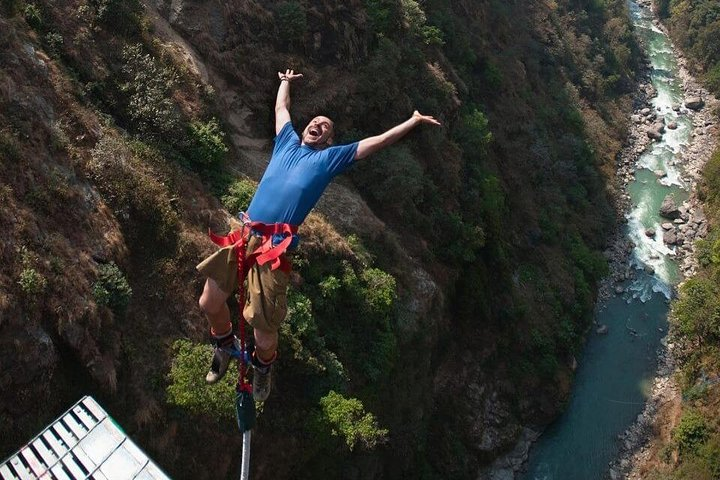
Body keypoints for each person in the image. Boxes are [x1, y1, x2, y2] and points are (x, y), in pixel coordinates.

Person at [197, 69, 440, 401]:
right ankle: (224, 344)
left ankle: (263, 368)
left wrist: (411, 122)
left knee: (264, 335)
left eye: (325, 127)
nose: (318, 125)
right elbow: (281, 110)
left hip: (273, 248)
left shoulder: (329, 159)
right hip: (244, 232)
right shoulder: (286, 142)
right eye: (316, 121)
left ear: (328, 140)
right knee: (209, 301)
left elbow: (375, 143)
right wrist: (284, 82)